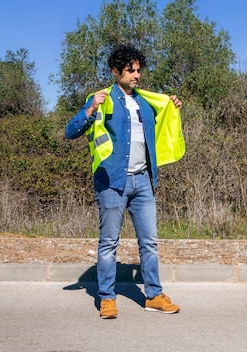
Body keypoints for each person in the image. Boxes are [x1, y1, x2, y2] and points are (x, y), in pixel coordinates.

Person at [66, 44, 185, 319]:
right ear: (115, 71)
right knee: (109, 243)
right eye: (130, 71)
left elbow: (164, 120)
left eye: (138, 70)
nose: (136, 76)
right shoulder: (102, 98)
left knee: (149, 242)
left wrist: (173, 106)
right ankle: (107, 298)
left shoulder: (145, 101)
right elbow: (71, 131)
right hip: (111, 182)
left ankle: (154, 295)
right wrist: (90, 109)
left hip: (143, 181)